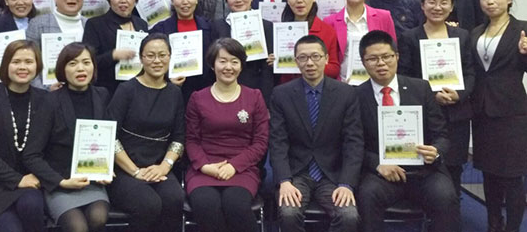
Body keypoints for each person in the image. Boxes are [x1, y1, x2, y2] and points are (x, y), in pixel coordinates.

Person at [355, 30, 459, 232]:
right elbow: (354, 143)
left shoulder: (421, 88)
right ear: (363, 62)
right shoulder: (356, 96)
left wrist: (436, 151)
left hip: (424, 172)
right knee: (367, 195)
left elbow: (441, 135)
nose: (381, 63)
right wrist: (377, 164)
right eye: (373, 59)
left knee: (446, 196)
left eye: (387, 56)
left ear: (397, 56)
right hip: (382, 175)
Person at [270, 35, 362, 232]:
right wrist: (284, 181)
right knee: (288, 213)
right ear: (296, 61)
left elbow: (353, 143)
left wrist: (346, 183)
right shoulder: (281, 94)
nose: (310, 63)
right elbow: (278, 142)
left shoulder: (346, 93)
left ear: (326, 58)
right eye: (303, 58)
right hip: (296, 173)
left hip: (332, 174)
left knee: (348, 216)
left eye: (315, 56)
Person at [23, 43, 111, 232]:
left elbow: (109, 139)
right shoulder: (50, 101)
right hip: (60, 182)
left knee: (98, 218)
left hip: (92, 181)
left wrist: (107, 169)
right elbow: (31, 155)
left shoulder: (102, 95)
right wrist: (60, 181)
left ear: (94, 66)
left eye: (86, 62)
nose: (80, 68)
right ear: (62, 69)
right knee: (78, 228)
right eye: (72, 63)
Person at [397, 0, 474, 197]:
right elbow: (405, 76)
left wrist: (459, 95)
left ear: (451, 7)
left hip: (457, 112)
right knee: (426, 166)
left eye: (443, 3)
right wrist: (432, 96)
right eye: (431, 2)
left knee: (454, 166)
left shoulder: (462, 36)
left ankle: (453, 209)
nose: (437, 7)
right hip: (425, 113)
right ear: (422, 5)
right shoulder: (410, 37)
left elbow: (470, 72)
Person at [185, 38, 269, 232]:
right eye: (222, 61)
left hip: (242, 169)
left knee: (236, 205)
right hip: (204, 169)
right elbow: (191, 140)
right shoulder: (198, 98)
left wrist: (234, 165)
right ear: (212, 65)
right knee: (206, 205)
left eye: (234, 61)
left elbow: (260, 141)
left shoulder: (254, 97)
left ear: (241, 65)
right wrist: (206, 166)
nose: (228, 67)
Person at [106, 33, 185, 232]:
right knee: (149, 204)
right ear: (141, 58)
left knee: (174, 199)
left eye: (162, 55)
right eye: (150, 55)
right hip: (124, 168)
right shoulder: (126, 90)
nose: (157, 61)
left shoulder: (175, 93)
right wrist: (135, 171)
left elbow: (178, 138)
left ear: (170, 57)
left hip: (158, 166)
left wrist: (164, 167)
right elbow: (110, 136)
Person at [470, 0, 527, 232]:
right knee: (489, 173)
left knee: (512, 176)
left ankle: (513, 228)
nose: (490, 2)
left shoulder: (523, 29)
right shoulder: (476, 32)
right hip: (481, 111)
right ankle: (494, 224)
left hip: (511, 112)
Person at [0, 40, 46, 232]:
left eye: (28, 61)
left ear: (37, 66)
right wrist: (17, 180)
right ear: (6, 65)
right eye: (16, 61)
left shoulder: (46, 100)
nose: (22, 67)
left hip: (32, 179)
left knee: (31, 205)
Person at [323, 0, 396, 80]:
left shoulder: (384, 17)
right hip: (343, 83)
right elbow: (329, 58)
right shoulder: (329, 22)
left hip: (376, 81)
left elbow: (392, 51)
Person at [211, 0, 274, 105]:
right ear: (226, 0)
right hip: (225, 90)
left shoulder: (266, 26)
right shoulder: (217, 26)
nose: (238, 0)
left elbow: (267, 69)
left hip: (257, 89)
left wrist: (265, 99)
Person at [82, 0, 148, 95]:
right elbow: (88, 61)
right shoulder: (96, 24)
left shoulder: (142, 24)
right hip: (108, 91)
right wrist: (113, 55)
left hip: (139, 89)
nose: (123, 0)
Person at [151, 0, 214, 103]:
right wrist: (167, 78)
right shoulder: (160, 29)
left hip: (204, 91)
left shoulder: (209, 27)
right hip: (170, 93)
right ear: (172, 0)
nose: (185, 2)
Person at [280, 0, 340, 81]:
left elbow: (334, 68)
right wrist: (275, 61)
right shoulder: (279, 31)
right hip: (287, 87)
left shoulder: (327, 30)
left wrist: (313, 65)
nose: (299, 0)